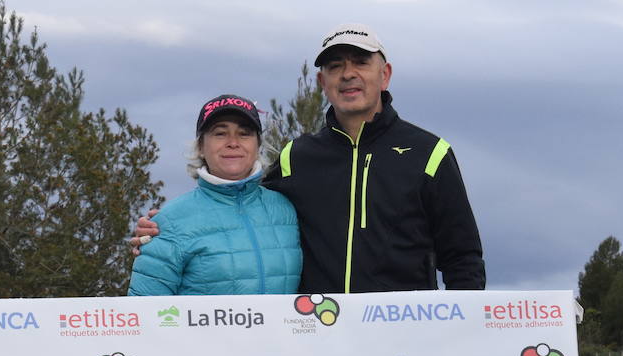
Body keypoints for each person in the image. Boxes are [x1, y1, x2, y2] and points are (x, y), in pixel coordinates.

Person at [134, 26, 485, 294]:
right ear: (322, 82)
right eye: (335, 66)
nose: (348, 74)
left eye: (361, 62)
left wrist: (456, 335)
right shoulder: (296, 157)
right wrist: (159, 232)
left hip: (405, 341)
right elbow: (238, 207)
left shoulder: (429, 153)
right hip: (317, 351)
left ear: (385, 74)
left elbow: (463, 260)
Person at [128, 94, 301, 296]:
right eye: (220, 133)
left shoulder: (286, 209)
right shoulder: (168, 222)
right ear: (201, 147)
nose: (233, 142)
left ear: (258, 145)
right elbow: (146, 313)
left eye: (244, 133)